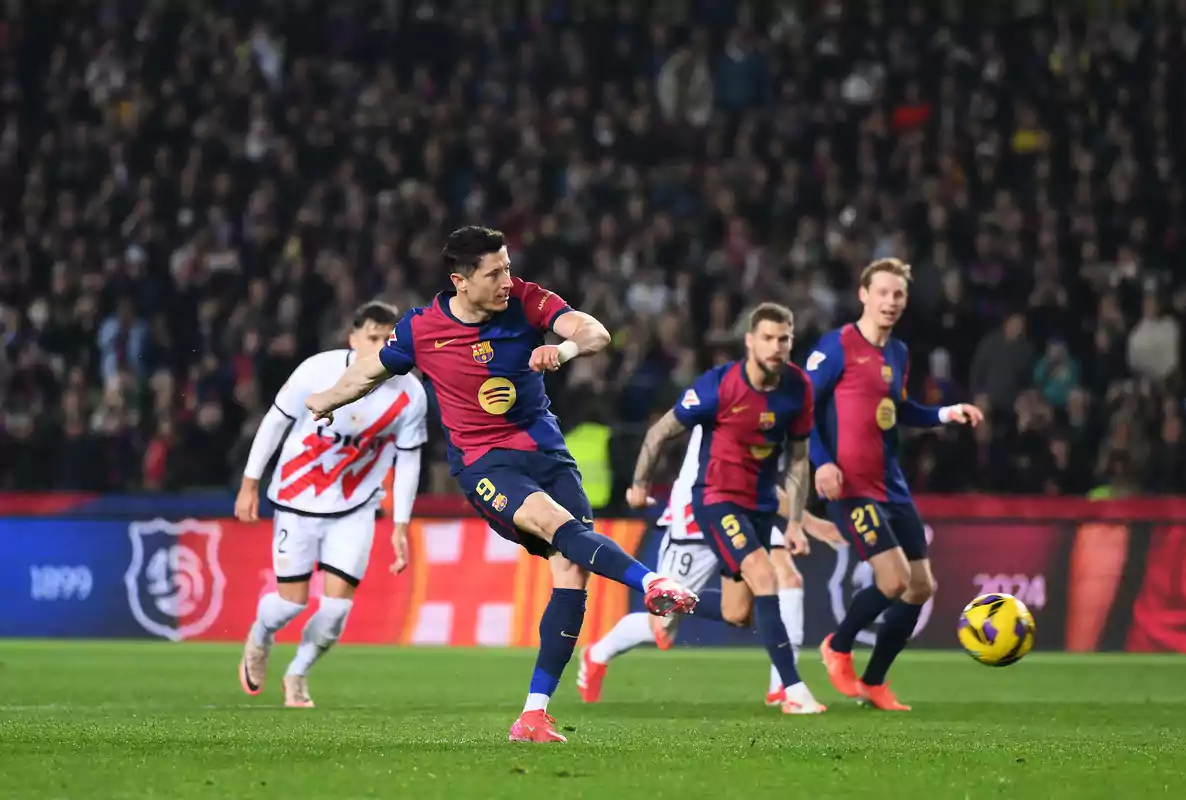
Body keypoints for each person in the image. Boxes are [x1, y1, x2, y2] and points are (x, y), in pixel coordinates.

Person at [304, 226, 698, 743]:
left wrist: (564, 352)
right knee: (554, 524)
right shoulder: (422, 329)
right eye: (494, 273)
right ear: (460, 282)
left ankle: (533, 714)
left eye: (508, 267)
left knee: (572, 569)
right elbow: (367, 374)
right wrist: (322, 401)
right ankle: (651, 583)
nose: (507, 280)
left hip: (549, 457)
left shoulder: (529, 302)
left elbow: (595, 332)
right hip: (486, 464)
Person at [625, 303, 828, 715]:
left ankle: (679, 598)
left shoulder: (798, 389)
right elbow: (661, 430)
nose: (776, 346)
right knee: (767, 576)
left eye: (784, 339)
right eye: (768, 338)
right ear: (750, 341)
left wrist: (794, 522)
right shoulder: (719, 386)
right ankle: (792, 690)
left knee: (739, 612)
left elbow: (800, 458)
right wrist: (639, 484)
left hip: (762, 504)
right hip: (717, 499)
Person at [806, 258, 984, 711]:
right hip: (850, 484)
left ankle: (874, 682)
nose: (890, 301)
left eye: (897, 295)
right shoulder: (837, 346)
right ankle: (837, 645)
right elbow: (802, 408)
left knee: (921, 587)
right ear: (864, 294)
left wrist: (946, 413)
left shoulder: (898, 353)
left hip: (891, 484)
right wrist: (821, 463)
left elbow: (899, 410)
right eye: (882, 292)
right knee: (892, 579)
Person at [234, 301, 428, 708]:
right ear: (353, 338)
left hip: (355, 507)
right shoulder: (317, 370)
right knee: (291, 604)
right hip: (297, 498)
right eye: (372, 337)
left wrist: (400, 524)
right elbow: (275, 421)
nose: (380, 346)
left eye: (387, 339)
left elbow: (409, 458)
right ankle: (260, 636)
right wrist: (250, 482)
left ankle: (298, 673)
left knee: (337, 609)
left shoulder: (409, 393)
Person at [577, 424, 845, 705]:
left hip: (745, 507)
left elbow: (764, 474)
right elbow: (666, 432)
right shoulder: (726, 401)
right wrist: (808, 522)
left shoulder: (777, 402)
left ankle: (783, 687)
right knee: (667, 620)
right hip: (696, 509)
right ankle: (597, 653)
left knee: (787, 579)